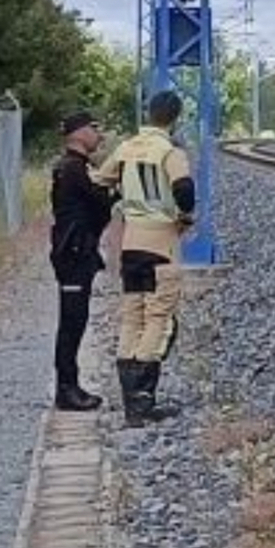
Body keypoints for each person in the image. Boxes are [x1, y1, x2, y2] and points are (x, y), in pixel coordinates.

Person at [96, 90, 194, 427]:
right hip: (161, 243)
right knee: (158, 318)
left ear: (149, 113)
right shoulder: (170, 152)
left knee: (131, 316)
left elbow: (101, 180)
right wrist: (184, 216)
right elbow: (184, 191)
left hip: (131, 244)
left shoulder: (125, 148)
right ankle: (142, 401)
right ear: (175, 117)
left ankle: (128, 400)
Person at [49, 109, 115, 411]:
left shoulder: (76, 168)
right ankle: (67, 389)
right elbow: (99, 204)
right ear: (78, 133)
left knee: (76, 320)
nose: (98, 135)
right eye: (94, 128)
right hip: (73, 253)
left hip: (79, 252)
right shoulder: (74, 170)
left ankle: (70, 385)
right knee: (72, 322)